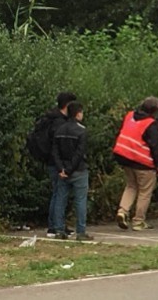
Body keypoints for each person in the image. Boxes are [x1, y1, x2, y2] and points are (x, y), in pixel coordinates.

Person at [113, 96, 158, 231]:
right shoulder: (150, 124)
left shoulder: (130, 115)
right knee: (145, 192)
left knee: (131, 186)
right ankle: (138, 221)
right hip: (142, 161)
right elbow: (156, 146)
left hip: (124, 157)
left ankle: (122, 211)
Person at [51, 101, 93, 240]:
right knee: (80, 200)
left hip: (62, 170)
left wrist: (61, 169)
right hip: (78, 170)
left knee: (60, 199)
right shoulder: (81, 131)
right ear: (78, 113)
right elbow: (79, 153)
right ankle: (80, 232)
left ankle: (58, 230)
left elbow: (55, 152)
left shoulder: (59, 129)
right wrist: (69, 169)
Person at [45, 92, 77, 238]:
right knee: (59, 194)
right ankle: (56, 227)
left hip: (52, 162)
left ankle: (54, 225)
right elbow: (57, 146)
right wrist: (61, 166)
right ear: (68, 105)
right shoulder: (60, 122)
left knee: (56, 193)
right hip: (57, 163)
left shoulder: (52, 118)